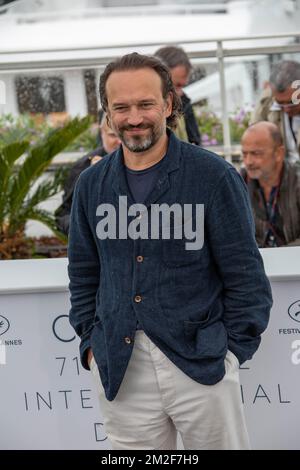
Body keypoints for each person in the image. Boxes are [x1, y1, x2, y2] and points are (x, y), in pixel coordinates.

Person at [68, 52, 272, 450]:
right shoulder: (91, 185)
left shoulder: (213, 177)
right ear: (107, 114)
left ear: (169, 104)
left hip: (201, 362)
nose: (134, 117)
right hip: (121, 366)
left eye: (145, 104)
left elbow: (246, 276)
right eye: (121, 107)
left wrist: (230, 352)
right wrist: (91, 345)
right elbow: (83, 272)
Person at [55, 113, 120, 235]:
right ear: (102, 133)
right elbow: (64, 214)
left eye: (124, 134)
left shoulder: (151, 163)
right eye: (113, 135)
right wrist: (81, 233)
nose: (120, 141)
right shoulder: (83, 167)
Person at [241, 121, 300, 247]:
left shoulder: (296, 180)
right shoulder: (238, 181)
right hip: (253, 262)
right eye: (244, 154)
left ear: (279, 153)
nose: (248, 162)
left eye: (256, 153)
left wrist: (281, 256)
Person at [252, 60, 300, 162]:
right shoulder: (265, 101)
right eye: (280, 103)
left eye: (292, 102)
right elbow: (255, 139)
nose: (286, 109)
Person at [154, 45, 201, 145]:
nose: (179, 93)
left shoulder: (184, 102)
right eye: (175, 86)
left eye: (182, 87)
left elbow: (195, 141)